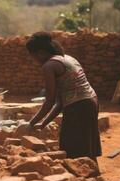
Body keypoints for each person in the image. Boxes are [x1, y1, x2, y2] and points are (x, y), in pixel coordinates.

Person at [20, 31, 102, 162]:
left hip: (78, 106)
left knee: (73, 148)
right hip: (90, 101)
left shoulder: (49, 66)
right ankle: (93, 177)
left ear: (40, 53)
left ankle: (83, 178)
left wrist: (30, 123)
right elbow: (59, 103)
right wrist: (43, 123)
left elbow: (50, 101)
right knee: (86, 145)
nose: (33, 61)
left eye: (32, 56)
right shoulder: (67, 58)